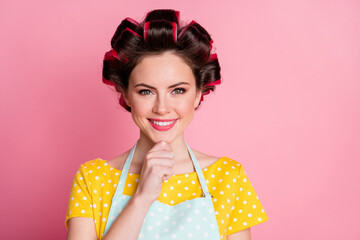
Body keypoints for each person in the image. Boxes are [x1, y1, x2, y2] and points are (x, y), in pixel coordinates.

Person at [65, 9, 268, 240]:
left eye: (178, 90)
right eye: (146, 91)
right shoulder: (92, 180)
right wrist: (141, 198)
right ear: (126, 94)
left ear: (198, 93)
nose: (162, 107)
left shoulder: (228, 177)